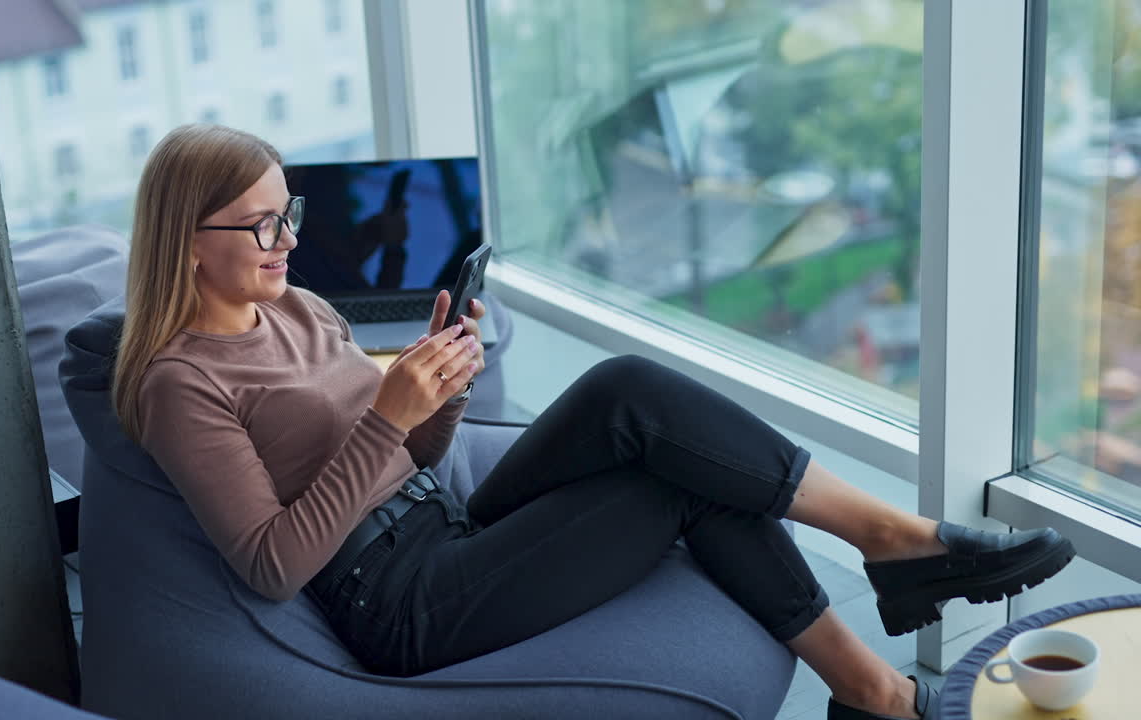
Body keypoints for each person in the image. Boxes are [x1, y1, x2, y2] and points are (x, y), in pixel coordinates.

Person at [113, 125, 1075, 720]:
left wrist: (436, 400)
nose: (289, 241)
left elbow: (406, 456)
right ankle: (879, 675)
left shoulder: (301, 308)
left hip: (439, 529)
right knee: (673, 486)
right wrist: (385, 420)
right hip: (394, 602)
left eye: (292, 215)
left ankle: (887, 565)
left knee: (626, 391)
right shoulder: (179, 383)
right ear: (187, 242)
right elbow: (272, 566)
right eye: (262, 226)